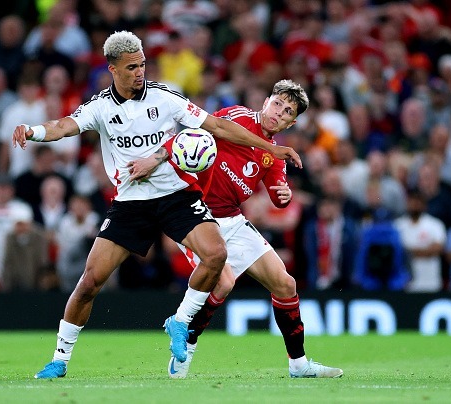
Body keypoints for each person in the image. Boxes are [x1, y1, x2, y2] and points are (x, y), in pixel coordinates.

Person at [11, 31, 302, 379]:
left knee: (216, 255)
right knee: (90, 282)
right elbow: (62, 126)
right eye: (132, 67)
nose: (140, 72)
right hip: (131, 202)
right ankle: (59, 359)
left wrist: (272, 149)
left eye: (143, 64)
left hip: (175, 196)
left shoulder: (166, 97)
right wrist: (33, 131)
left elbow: (217, 126)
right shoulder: (100, 107)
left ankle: (180, 323)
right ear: (113, 69)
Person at [134, 79, 342, 378]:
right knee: (224, 282)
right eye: (277, 104)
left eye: (287, 112)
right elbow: (193, 133)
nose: (278, 113)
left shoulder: (274, 154)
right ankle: (186, 348)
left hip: (232, 219)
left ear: (292, 122)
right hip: (195, 214)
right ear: (267, 100)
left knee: (286, 285)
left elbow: (276, 188)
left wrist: (283, 195)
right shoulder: (239, 117)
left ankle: (298, 364)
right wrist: (155, 159)